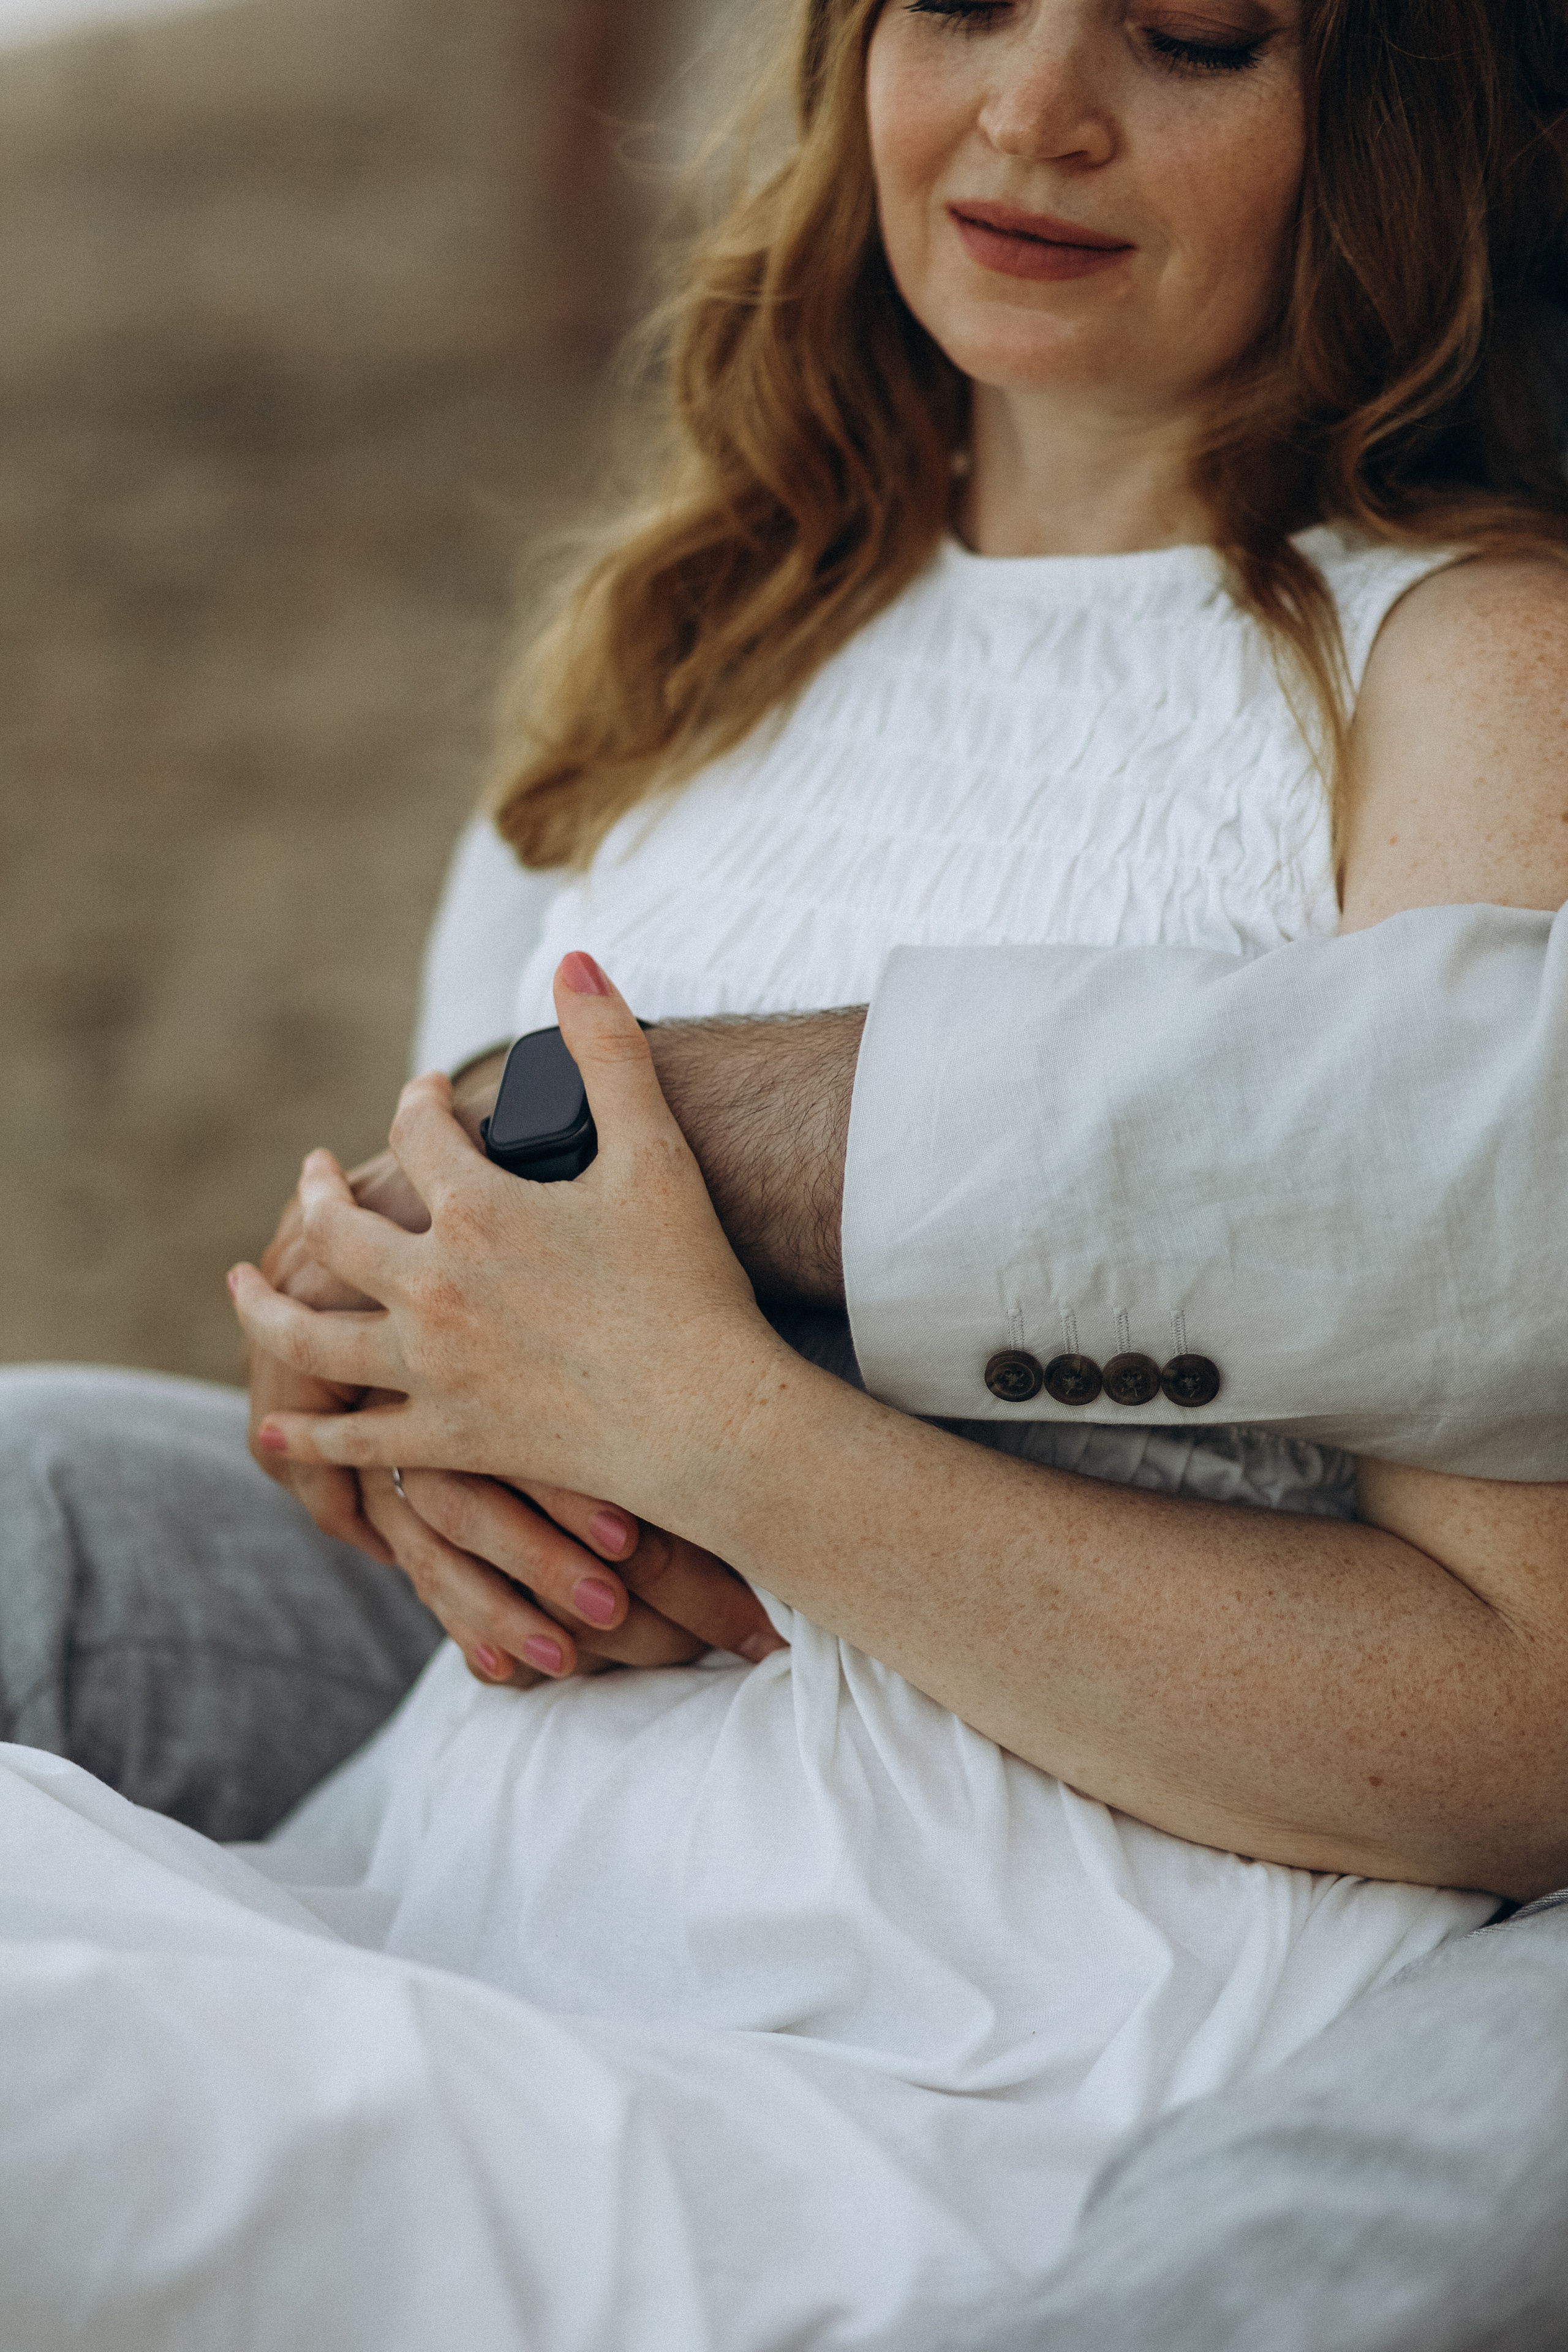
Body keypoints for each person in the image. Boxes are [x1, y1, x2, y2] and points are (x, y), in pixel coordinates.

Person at [3, 0, 1568, 2344]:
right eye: (960, 2)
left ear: (1389, 113)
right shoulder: (700, 631)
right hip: (453, 1893)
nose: (1034, 110)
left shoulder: (1469, 671)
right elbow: (468, 1285)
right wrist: (383, 1420)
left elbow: (1515, 1725)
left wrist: (727, 1442)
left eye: (1195, 35)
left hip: (985, 2032)